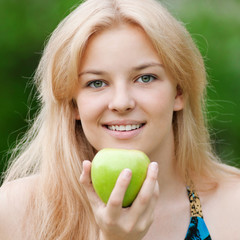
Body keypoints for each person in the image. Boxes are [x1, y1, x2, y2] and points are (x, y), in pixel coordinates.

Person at [0, 0, 240, 239]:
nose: (121, 102)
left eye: (145, 78)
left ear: (179, 92)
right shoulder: (15, 210)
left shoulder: (234, 205)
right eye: (96, 83)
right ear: (73, 104)